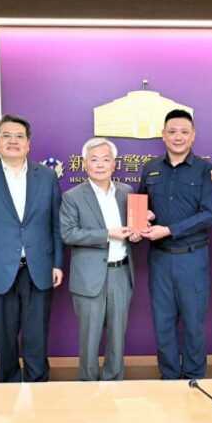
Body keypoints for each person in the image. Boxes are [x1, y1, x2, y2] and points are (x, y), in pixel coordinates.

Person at [0, 114, 64, 383]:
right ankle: (6, 395)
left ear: (28, 143)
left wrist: (57, 263)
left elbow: (56, 223)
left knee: (37, 340)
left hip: (38, 269)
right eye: (6, 136)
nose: (13, 141)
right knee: (4, 342)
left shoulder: (47, 176)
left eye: (19, 136)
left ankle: (38, 391)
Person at [139, 109, 212, 380]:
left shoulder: (206, 170)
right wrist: (145, 217)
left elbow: (208, 214)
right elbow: (142, 206)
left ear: (193, 135)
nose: (178, 137)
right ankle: (169, 378)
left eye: (184, 132)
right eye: (172, 131)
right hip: (160, 258)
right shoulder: (151, 168)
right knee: (163, 324)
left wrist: (169, 230)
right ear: (163, 135)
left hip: (192, 259)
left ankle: (194, 378)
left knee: (194, 323)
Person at [60, 138, 141, 381]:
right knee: (89, 337)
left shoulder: (126, 192)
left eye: (106, 159)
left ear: (114, 164)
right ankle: (88, 385)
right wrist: (107, 234)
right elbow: (68, 233)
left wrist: (137, 233)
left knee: (117, 336)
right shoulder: (72, 196)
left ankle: (114, 382)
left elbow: (133, 229)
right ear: (84, 164)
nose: (100, 165)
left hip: (121, 273)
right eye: (94, 160)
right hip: (89, 277)